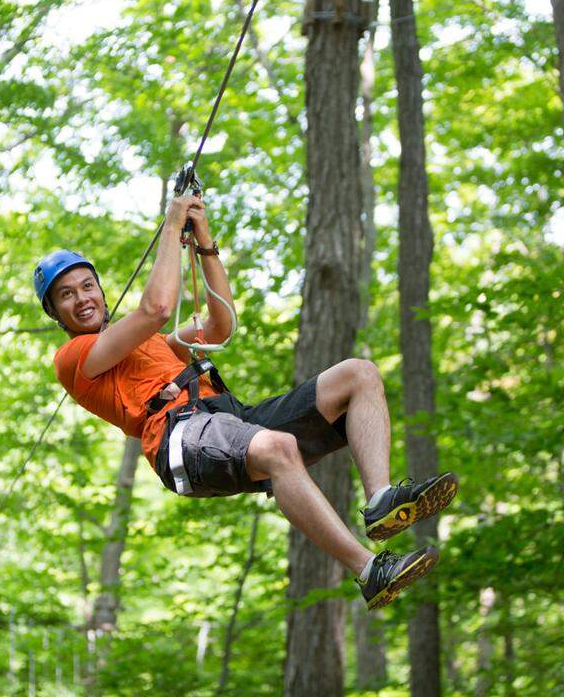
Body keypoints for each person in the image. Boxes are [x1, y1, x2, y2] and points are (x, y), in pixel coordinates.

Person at [33, 194, 458, 610]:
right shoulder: (74, 359)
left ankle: (381, 499)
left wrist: (203, 240)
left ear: (102, 291)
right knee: (278, 448)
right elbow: (157, 307)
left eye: (87, 286)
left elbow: (221, 322)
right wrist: (171, 221)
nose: (82, 298)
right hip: (179, 436)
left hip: (227, 419)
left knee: (358, 374)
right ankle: (369, 571)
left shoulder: (160, 346)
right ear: (55, 314)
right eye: (66, 295)